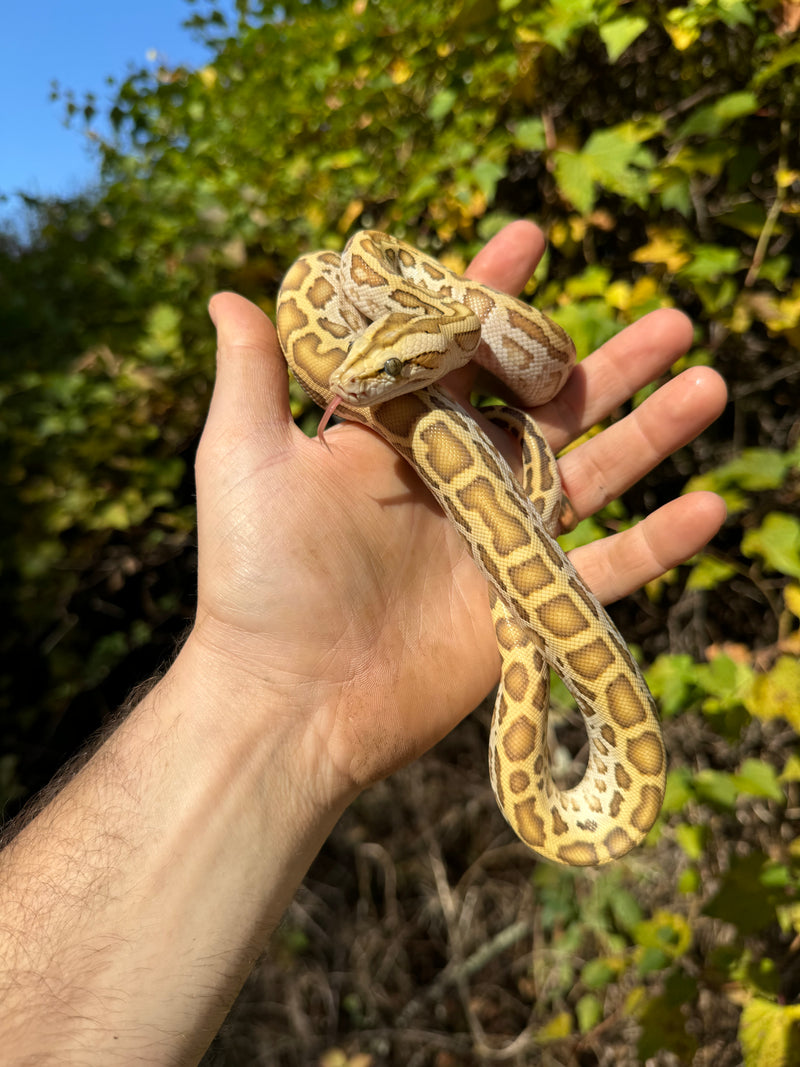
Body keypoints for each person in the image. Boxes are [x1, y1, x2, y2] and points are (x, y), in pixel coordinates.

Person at [0, 222, 727, 1064]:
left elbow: (473, 348)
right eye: (370, 369)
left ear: (421, 347)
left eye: (384, 372)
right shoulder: (378, 311)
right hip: (446, 370)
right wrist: (269, 681)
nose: (356, 383)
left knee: (531, 629)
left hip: (452, 354)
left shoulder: (436, 319)